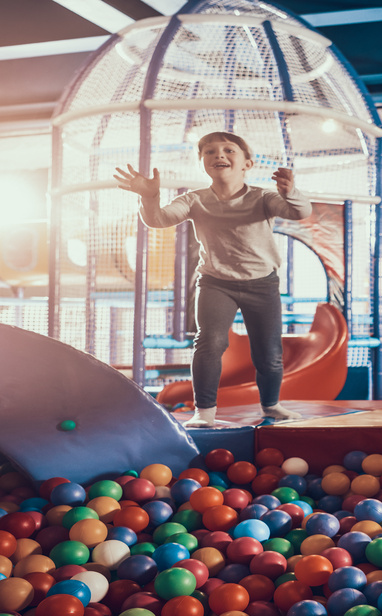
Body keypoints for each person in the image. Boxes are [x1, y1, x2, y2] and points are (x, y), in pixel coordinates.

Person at [114, 132, 312, 427]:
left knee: (268, 351)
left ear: (247, 163)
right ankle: (204, 411)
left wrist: (290, 191)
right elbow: (158, 220)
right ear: (202, 163)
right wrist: (149, 196)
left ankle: (271, 405)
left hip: (262, 283)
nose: (219, 155)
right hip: (216, 283)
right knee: (209, 343)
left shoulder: (263, 198)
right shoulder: (195, 200)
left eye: (229, 150)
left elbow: (300, 212)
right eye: (209, 152)